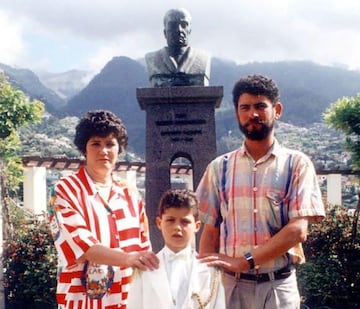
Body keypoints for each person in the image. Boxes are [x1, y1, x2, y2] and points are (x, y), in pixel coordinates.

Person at [196, 74, 325, 309]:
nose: (252, 114)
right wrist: (207, 282)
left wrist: (245, 262)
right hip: (229, 287)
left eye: (260, 106)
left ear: (277, 110)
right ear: (236, 113)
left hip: (278, 287)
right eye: (244, 107)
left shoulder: (296, 164)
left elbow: (298, 230)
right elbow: (210, 232)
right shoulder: (219, 168)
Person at [49, 110, 159, 309]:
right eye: (96, 144)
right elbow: (82, 246)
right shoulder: (64, 190)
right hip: (81, 301)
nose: (104, 151)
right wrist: (127, 258)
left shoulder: (130, 193)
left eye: (110, 144)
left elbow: (144, 246)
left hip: (128, 300)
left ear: (120, 148)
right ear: (84, 148)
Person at [127, 189, 225, 309]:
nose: (177, 227)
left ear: (197, 226)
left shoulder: (210, 271)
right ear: (159, 223)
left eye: (185, 222)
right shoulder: (145, 268)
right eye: (170, 220)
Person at [145, 8, 211, 87]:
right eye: (173, 25)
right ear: (165, 32)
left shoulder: (202, 58)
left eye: (184, 25)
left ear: (190, 31)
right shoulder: (153, 59)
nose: (179, 30)